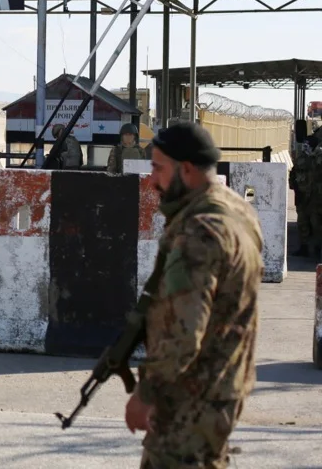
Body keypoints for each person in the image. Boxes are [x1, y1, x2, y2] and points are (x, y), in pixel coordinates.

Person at [125, 122, 263, 468]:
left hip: (192, 397)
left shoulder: (198, 233)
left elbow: (184, 334)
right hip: (222, 386)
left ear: (186, 170)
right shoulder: (238, 210)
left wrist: (146, 393)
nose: (152, 180)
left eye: (158, 168)